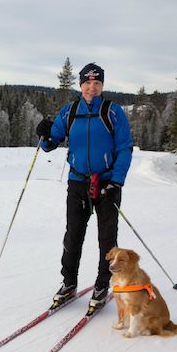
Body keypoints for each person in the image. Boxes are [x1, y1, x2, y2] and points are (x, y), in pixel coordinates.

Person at [35, 63, 133, 315]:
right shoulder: (69, 112)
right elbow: (50, 143)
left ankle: (102, 285)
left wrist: (117, 182)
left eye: (97, 83)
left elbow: (125, 148)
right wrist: (44, 135)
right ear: (81, 85)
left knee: (107, 239)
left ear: (102, 86)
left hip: (107, 183)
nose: (92, 87)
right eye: (88, 83)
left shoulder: (113, 112)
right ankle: (68, 284)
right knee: (73, 236)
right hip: (78, 183)